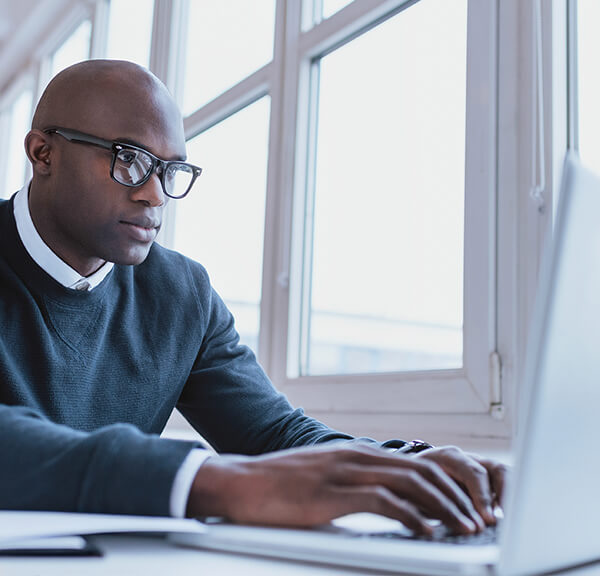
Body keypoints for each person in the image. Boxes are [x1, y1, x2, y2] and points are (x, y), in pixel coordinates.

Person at [0, 60, 506, 537]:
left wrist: (400, 465)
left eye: (170, 170)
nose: (154, 194)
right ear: (43, 153)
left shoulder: (182, 294)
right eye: (129, 160)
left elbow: (271, 432)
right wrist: (211, 482)